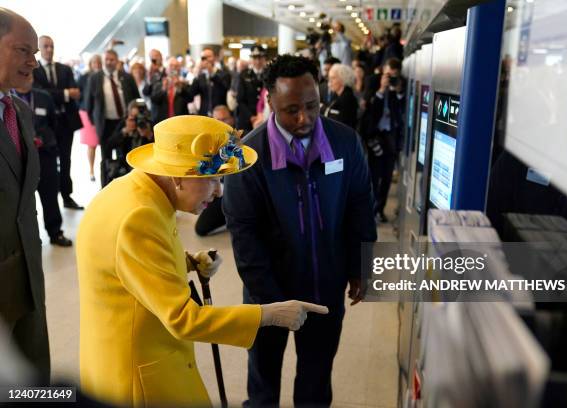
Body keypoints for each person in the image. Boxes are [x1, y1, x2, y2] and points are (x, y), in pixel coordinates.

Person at [76, 114, 328, 407]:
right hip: (140, 375)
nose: (219, 191)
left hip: (115, 358)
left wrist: (185, 262)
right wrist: (268, 314)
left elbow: (126, 265)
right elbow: (183, 319)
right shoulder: (140, 218)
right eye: (212, 178)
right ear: (177, 176)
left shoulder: (131, 191)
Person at [223, 55, 377, 407]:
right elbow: (245, 235)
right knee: (263, 386)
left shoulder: (345, 143)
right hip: (268, 294)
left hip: (325, 287)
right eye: (291, 110)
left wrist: (360, 266)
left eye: (312, 105)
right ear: (270, 101)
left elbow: (359, 207)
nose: (304, 118)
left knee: (316, 382)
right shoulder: (247, 156)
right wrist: (272, 302)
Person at [0, 7, 50, 383]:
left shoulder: (19, 110)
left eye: (35, 53)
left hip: (29, 283)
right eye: (23, 50)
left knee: (36, 388)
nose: (33, 62)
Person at [14, 75, 73, 246]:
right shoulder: (10, 99)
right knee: (23, 200)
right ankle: (27, 239)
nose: (25, 77)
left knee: (50, 194)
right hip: (22, 158)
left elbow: (53, 124)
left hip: (45, 155)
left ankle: (55, 232)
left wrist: (45, 139)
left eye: (29, 74)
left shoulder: (44, 97)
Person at [33, 35, 83, 209]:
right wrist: (66, 94)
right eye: (46, 46)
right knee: (49, 163)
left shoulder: (65, 69)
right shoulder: (35, 70)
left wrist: (61, 94)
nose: (49, 49)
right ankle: (52, 198)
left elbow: (76, 92)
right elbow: (41, 94)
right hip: (46, 125)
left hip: (66, 122)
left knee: (66, 159)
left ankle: (67, 195)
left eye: (52, 46)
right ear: (39, 48)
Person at [86, 48, 140, 187]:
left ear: (117, 61)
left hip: (125, 122)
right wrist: (96, 124)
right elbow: (89, 104)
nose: (109, 62)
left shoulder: (126, 77)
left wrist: (134, 116)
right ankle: (106, 188)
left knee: (128, 155)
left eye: (112, 60)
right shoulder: (95, 78)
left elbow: (137, 99)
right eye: (107, 60)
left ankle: (130, 186)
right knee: (106, 159)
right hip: (105, 125)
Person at [363, 57, 406, 222]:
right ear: (383, 70)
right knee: (374, 175)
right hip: (375, 135)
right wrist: (381, 90)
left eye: (394, 74)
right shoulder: (373, 81)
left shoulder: (398, 85)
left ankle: (380, 209)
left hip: (391, 135)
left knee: (387, 176)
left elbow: (401, 109)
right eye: (389, 74)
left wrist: (399, 91)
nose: (391, 77)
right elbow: (369, 109)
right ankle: (371, 208)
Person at [194, 105, 234, 237]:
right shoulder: (207, 143)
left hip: (233, 193)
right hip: (217, 192)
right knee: (201, 228)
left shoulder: (242, 141)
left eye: (225, 119)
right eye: (218, 120)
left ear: (232, 120)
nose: (222, 123)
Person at [104, 99, 154, 183]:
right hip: (126, 167)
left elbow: (159, 147)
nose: (137, 121)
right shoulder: (124, 124)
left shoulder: (150, 124)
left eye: (139, 117)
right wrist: (124, 131)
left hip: (147, 166)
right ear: (128, 115)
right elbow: (108, 145)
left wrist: (149, 135)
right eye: (134, 117)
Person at [77, 54, 102, 182]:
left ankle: (106, 169)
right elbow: (78, 95)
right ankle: (91, 170)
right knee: (92, 144)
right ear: (90, 63)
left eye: (99, 62)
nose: (97, 64)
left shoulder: (105, 76)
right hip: (87, 113)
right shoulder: (84, 77)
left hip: (101, 114)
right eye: (94, 62)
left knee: (104, 143)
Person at [191, 46, 231, 117]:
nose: (206, 60)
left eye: (208, 57)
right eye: (203, 58)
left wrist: (212, 73)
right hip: (204, 114)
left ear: (214, 58)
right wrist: (196, 75)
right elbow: (191, 94)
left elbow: (225, 88)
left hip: (220, 114)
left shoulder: (223, 73)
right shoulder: (201, 76)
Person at [150, 57, 192, 124]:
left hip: (180, 122)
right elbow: (154, 100)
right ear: (166, 69)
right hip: (163, 122)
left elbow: (190, 99)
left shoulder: (184, 84)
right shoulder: (159, 83)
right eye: (171, 65)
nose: (173, 68)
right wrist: (163, 89)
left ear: (179, 69)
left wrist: (180, 87)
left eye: (176, 66)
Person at [236, 45, 267, 132]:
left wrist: (262, 115)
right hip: (247, 119)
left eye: (260, 58)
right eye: (254, 58)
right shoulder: (244, 75)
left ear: (264, 58)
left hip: (265, 117)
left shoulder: (269, 74)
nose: (257, 61)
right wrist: (251, 117)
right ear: (251, 59)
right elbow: (240, 100)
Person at [323, 63, 358, 129]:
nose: (330, 81)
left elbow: (341, 123)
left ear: (343, 79)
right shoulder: (336, 96)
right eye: (329, 78)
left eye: (333, 78)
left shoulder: (348, 99)